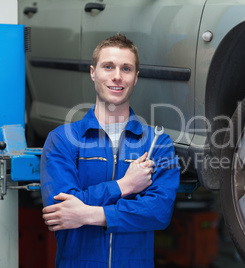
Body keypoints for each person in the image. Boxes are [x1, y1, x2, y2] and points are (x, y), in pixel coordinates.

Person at [40, 33, 180, 268]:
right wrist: (124, 186)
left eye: (126, 69)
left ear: (136, 77)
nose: (117, 76)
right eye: (108, 67)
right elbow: (59, 209)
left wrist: (88, 214)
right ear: (93, 72)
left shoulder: (157, 143)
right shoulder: (62, 140)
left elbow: (158, 212)